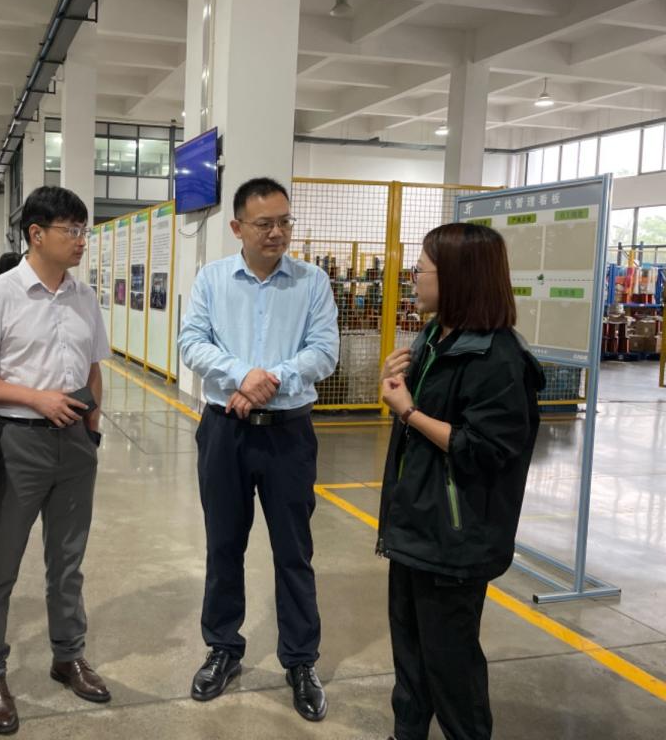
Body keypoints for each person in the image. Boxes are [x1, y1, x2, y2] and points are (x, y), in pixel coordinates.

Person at [178, 177, 339, 723]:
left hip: (289, 433)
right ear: (237, 227)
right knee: (224, 544)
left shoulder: (312, 282)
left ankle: (301, 660)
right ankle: (223, 647)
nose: (277, 232)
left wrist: (270, 381)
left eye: (285, 222)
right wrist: (242, 375)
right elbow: (192, 342)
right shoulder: (212, 279)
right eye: (265, 223)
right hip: (224, 431)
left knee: (294, 550)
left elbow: (324, 351)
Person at [377, 223, 544, 740]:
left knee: (451, 670)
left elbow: (486, 449)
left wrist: (408, 411)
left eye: (421, 270)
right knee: (410, 659)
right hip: (414, 525)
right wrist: (397, 382)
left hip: (455, 538)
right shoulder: (435, 338)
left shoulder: (498, 359)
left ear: (456, 278)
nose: (413, 279)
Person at [0, 186, 110, 735]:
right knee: (0, 567)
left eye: (84, 231)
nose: (81, 241)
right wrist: (35, 398)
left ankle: (68, 656)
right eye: (72, 230)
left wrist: (92, 427)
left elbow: (93, 366)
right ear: (36, 234)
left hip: (75, 445)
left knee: (67, 562)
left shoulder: (84, 297)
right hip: (17, 444)